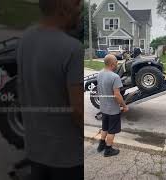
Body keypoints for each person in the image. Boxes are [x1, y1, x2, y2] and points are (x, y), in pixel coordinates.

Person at [16, 0, 83, 179]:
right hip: (67, 157)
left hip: (35, 150)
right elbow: (78, 110)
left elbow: (21, 89)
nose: (80, 9)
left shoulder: (25, 39)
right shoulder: (73, 49)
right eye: (78, 4)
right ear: (64, 7)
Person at [96, 54, 129, 157]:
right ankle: (108, 150)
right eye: (116, 63)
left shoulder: (99, 74)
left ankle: (101, 145)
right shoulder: (115, 77)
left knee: (104, 127)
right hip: (112, 109)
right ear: (112, 64)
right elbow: (117, 95)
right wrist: (124, 106)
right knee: (111, 130)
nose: (117, 64)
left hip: (103, 107)